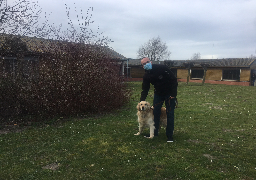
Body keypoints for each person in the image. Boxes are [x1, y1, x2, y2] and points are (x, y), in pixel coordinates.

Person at [140, 57, 178, 142]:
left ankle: (169, 136)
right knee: (155, 113)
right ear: (142, 66)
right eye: (144, 64)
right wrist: (141, 100)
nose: (146, 64)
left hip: (169, 94)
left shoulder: (162, 68)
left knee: (169, 113)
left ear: (151, 62)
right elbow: (145, 89)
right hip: (158, 94)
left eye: (147, 62)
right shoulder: (146, 75)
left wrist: (173, 94)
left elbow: (174, 80)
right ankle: (154, 132)